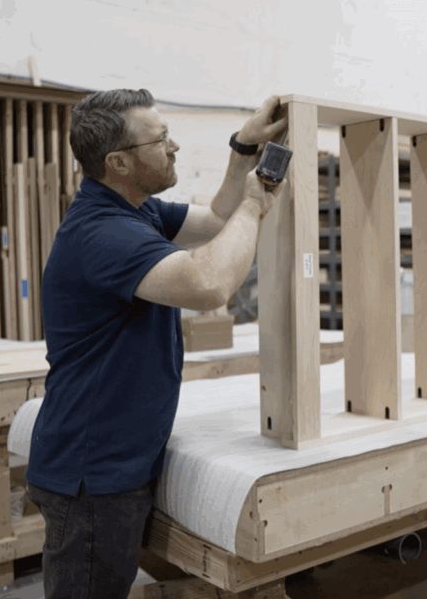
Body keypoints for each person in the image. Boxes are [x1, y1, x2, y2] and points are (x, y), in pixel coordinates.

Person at [25, 88, 287, 599]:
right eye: (161, 139)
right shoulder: (101, 233)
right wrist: (256, 204)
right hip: (92, 475)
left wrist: (242, 150)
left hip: (114, 464)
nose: (175, 147)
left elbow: (213, 220)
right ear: (118, 161)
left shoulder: (137, 210)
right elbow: (207, 283)